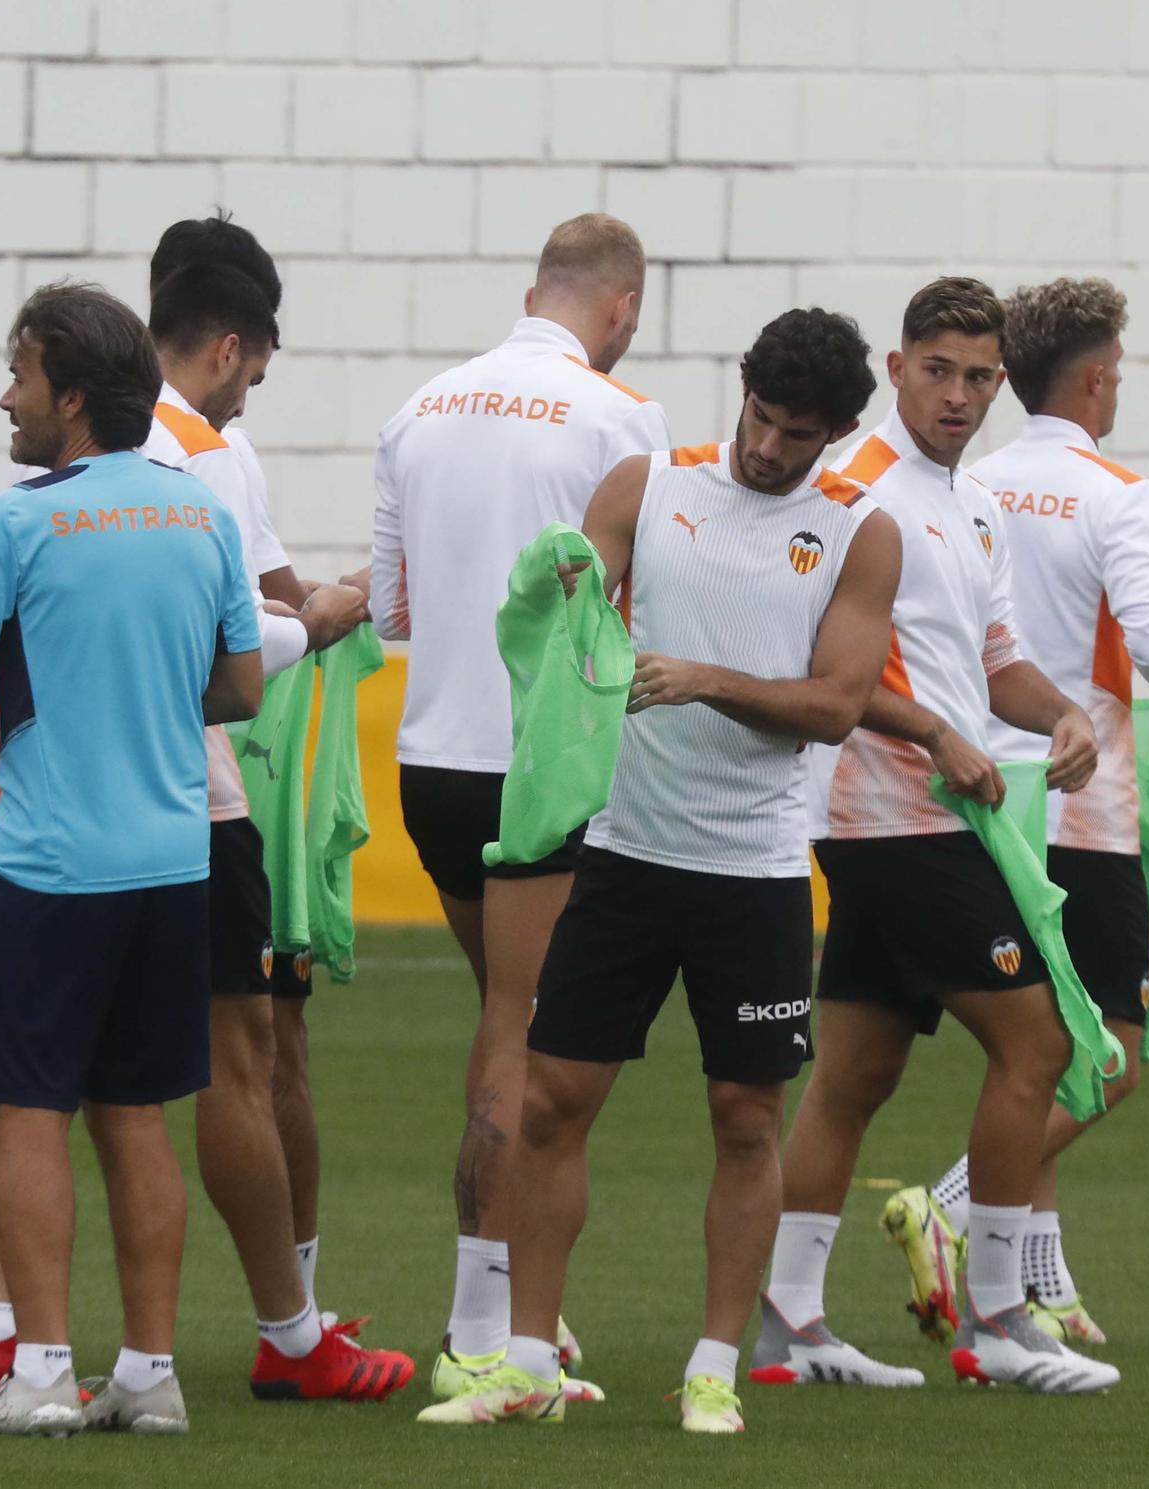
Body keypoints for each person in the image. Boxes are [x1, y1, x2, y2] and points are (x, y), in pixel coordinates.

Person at [418, 310, 902, 1432]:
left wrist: (700, 679)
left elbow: (832, 705)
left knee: (744, 1118)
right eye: (764, 421)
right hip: (625, 853)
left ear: (837, 433)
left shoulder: (858, 533)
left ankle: (712, 1369)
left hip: (756, 871)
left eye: (802, 436)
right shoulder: (649, 484)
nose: (774, 449)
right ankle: (529, 1363)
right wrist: (556, 586)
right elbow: (569, 620)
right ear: (740, 394)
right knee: (549, 1103)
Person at [755, 277, 1119, 1396]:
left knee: (854, 1073)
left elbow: (993, 660)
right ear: (897, 366)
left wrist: (1060, 710)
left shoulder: (969, 505)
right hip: (891, 815)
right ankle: (1000, 1320)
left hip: (926, 815)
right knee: (1044, 1044)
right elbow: (812, 664)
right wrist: (933, 734)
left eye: (978, 377)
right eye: (937, 371)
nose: (957, 396)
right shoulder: (849, 486)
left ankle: (786, 1323)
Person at [0, 281, 263, 1437]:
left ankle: (43, 1372)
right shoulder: (198, 511)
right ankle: (149, 1375)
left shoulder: (13, 519)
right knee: (136, 1116)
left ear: (67, 392)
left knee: (23, 1112)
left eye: (18, 375)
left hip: (50, 867)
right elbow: (239, 687)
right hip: (171, 862)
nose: (5, 397)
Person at [359, 213, 672, 1392]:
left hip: (431, 758)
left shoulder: (419, 408)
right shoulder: (617, 414)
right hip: (535, 763)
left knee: (502, 1019)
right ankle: (480, 1332)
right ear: (620, 307)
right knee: (521, 1039)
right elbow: (647, 597)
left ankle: (501, 1311)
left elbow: (390, 609)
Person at [885, 277, 1149, 1347]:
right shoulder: (1114, 488)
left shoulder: (971, 481)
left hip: (990, 797)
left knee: (1034, 1045)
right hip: (1083, 798)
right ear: (1095, 376)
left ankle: (1037, 1276)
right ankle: (954, 1203)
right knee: (1108, 1043)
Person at [138, 254, 410, 1401]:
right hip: (200, 792)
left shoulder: (67, 459)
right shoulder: (205, 449)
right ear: (225, 347)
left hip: (72, 807)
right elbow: (262, 631)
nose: (249, 393)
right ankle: (291, 1333)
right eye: (253, 368)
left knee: (41, 1074)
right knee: (243, 1059)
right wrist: (365, 595)